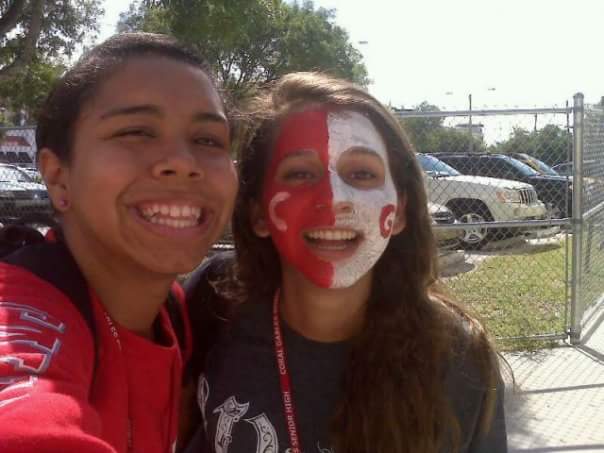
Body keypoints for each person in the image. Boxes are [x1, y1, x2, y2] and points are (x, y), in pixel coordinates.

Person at [184, 72, 507, 453]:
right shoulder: (214, 299)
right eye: (300, 173)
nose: (334, 199)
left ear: (400, 211)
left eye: (362, 174)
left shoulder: (458, 357)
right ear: (258, 213)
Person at [0, 33, 238, 453]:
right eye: (137, 131)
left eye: (207, 140)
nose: (183, 163)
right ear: (58, 177)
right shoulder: (19, 315)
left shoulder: (178, 316)